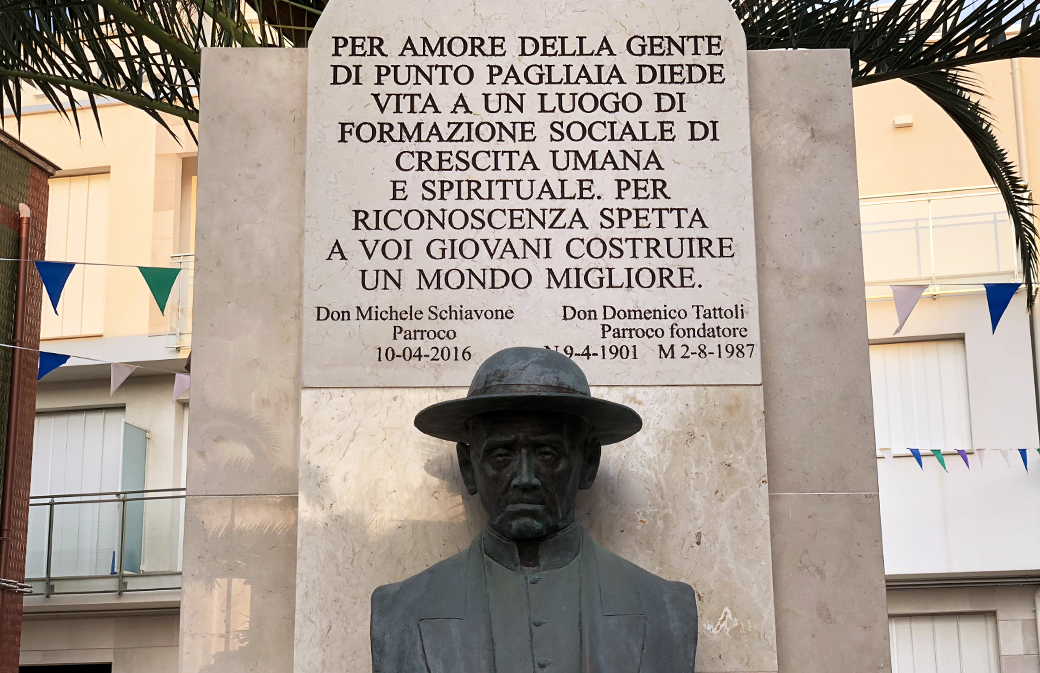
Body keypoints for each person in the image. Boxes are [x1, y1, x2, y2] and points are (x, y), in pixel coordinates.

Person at [371, 347, 698, 673]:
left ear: (588, 464)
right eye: (501, 455)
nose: (525, 479)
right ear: (469, 468)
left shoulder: (664, 606)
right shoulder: (401, 609)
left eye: (547, 453)